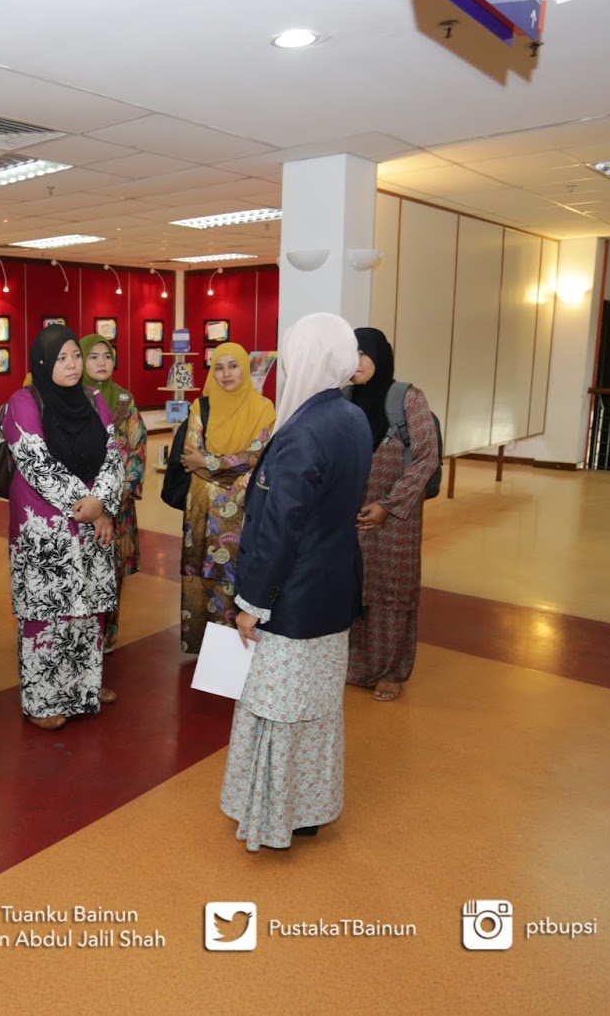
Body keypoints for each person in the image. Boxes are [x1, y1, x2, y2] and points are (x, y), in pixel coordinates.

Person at [221, 314, 371, 852]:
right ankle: (309, 808)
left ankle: (273, 816)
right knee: (318, 705)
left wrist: (252, 602)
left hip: (293, 595)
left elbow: (278, 529)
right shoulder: (352, 417)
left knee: (277, 707)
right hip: (334, 588)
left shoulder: (302, 432)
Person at [2, 326, 123, 729]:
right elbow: (37, 465)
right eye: (61, 358)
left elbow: (113, 456)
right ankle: (42, 703)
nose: (72, 365)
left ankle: (82, 691)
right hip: (44, 528)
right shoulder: (23, 402)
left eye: (75, 356)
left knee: (88, 611)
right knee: (47, 613)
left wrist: (101, 503)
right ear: (42, 363)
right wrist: (91, 508)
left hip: (90, 526)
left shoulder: (93, 400)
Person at [344, 327, 441, 701]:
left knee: (391, 591)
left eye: (363, 354)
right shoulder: (343, 399)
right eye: (350, 354)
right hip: (350, 516)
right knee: (352, 588)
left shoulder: (408, 399)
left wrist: (387, 505)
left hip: (396, 519)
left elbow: (426, 457)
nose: (356, 362)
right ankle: (354, 664)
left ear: (380, 356)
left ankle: (389, 671)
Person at [178, 341, 276, 653]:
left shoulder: (264, 409)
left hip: (239, 509)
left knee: (233, 574)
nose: (226, 373)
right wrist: (229, 470)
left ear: (245, 368)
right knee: (198, 572)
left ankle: (233, 650)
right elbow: (190, 453)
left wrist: (208, 463)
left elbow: (256, 455)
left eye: (233, 366)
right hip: (201, 507)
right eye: (219, 367)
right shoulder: (200, 406)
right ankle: (202, 646)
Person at [80, 333, 146, 652]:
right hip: (81, 504)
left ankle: (107, 633)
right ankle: (81, 633)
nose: (101, 362)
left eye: (107, 356)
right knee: (82, 568)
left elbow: (137, 447)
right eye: (93, 356)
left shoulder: (123, 400)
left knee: (113, 569)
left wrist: (122, 492)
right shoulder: (73, 398)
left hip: (118, 502)